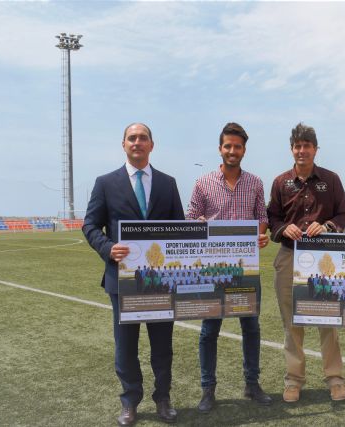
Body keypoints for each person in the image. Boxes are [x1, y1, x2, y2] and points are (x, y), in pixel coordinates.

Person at [83, 123, 184, 426]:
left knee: (162, 346)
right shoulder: (105, 183)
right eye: (132, 138)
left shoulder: (168, 183)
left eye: (143, 138)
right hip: (122, 281)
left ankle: (163, 398)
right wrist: (107, 247)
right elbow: (89, 225)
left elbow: (179, 230)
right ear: (123, 144)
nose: (137, 142)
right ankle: (129, 401)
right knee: (125, 346)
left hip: (159, 282)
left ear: (152, 145)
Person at [186, 122, 272, 412]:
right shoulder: (203, 183)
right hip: (212, 271)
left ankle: (252, 384)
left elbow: (263, 218)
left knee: (251, 326)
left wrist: (260, 234)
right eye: (227, 146)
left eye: (237, 146)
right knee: (209, 330)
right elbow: (191, 218)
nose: (232, 151)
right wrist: (199, 224)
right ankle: (208, 389)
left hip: (245, 269)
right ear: (220, 148)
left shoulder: (256, 183)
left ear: (244, 150)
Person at [267, 122, 345, 403]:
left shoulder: (331, 179)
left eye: (307, 146)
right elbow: (272, 219)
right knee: (291, 323)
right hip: (289, 256)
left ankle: (335, 378)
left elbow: (342, 216)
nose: (302, 151)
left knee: (328, 319)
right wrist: (282, 228)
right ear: (292, 149)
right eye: (297, 146)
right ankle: (294, 380)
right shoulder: (280, 182)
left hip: (324, 259)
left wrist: (325, 226)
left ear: (315, 149)